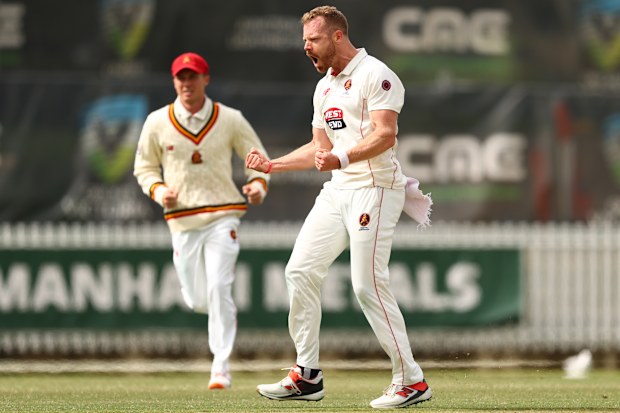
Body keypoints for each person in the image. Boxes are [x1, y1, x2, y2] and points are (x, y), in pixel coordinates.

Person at [245, 5, 433, 409]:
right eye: (304, 42)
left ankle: (411, 381)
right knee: (300, 270)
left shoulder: (376, 75)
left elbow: (386, 135)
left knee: (366, 284)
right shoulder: (324, 87)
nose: (306, 48)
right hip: (339, 190)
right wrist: (273, 164)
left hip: (375, 188)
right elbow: (319, 148)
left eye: (312, 40)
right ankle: (307, 375)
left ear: (336, 36)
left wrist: (342, 159)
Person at [134, 52, 270, 390]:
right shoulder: (157, 122)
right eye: (181, 77)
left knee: (219, 286)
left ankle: (220, 366)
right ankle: (218, 324)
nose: (186, 83)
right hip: (182, 222)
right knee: (197, 298)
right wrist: (158, 188)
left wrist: (257, 185)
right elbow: (144, 168)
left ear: (205, 80)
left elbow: (257, 159)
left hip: (224, 216)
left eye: (192, 77)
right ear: (173, 81)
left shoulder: (230, 119)